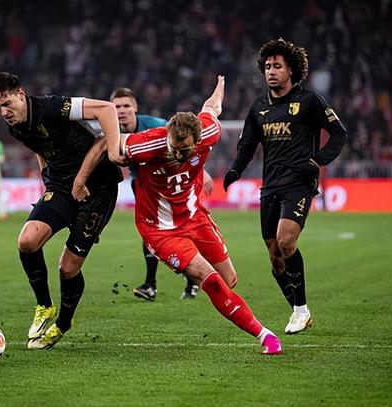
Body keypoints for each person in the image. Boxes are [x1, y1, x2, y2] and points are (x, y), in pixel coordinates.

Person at [80, 75, 283, 355]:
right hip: (159, 229)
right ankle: (265, 336)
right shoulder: (148, 143)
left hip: (194, 216)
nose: (177, 155)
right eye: (173, 148)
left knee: (228, 280)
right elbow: (104, 144)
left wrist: (220, 87)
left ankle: (193, 273)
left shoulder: (209, 132)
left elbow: (212, 107)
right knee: (211, 281)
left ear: (198, 140)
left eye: (184, 150)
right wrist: (83, 178)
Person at [0, 72, 124, 350]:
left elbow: (107, 109)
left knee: (67, 268)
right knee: (27, 241)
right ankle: (44, 306)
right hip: (62, 187)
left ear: (21, 94)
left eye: (7, 103)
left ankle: (63, 323)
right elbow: (40, 147)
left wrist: (113, 150)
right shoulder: (15, 127)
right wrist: (47, 180)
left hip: (99, 188)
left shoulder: (53, 107)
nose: (4, 112)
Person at [223, 38, 348, 335]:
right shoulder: (258, 107)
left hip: (299, 183)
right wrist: (235, 170)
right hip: (270, 186)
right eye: (267, 66)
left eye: (277, 66)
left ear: (291, 70)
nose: (271, 71)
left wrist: (318, 160)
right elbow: (247, 145)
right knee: (275, 257)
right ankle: (298, 309)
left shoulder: (309, 101)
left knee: (286, 240)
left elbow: (339, 133)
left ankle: (301, 310)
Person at [110, 87, 204, 301]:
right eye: (117, 107)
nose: (122, 110)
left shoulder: (155, 125)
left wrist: (202, 172)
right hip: (143, 184)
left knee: (172, 231)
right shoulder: (112, 130)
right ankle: (153, 284)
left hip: (169, 185)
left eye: (126, 105)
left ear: (135, 107)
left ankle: (187, 275)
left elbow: (186, 141)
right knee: (151, 232)